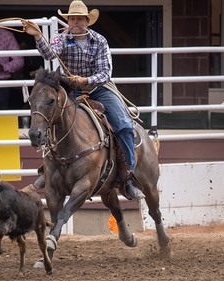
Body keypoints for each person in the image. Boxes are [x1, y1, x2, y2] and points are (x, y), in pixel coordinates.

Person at [22, 0, 145, 200]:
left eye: (80, 18)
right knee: (53, 118)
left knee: (123, 125)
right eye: (72, 18)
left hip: (99, 89)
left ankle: (128, 176)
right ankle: (48, 170)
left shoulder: (99, 41)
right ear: (68, 21)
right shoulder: (61, 38)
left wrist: (85, 80)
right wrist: (37, 35)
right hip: (70, 90)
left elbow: (105, 72)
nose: (76, 21)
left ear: (87, 21)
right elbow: (49, 53)